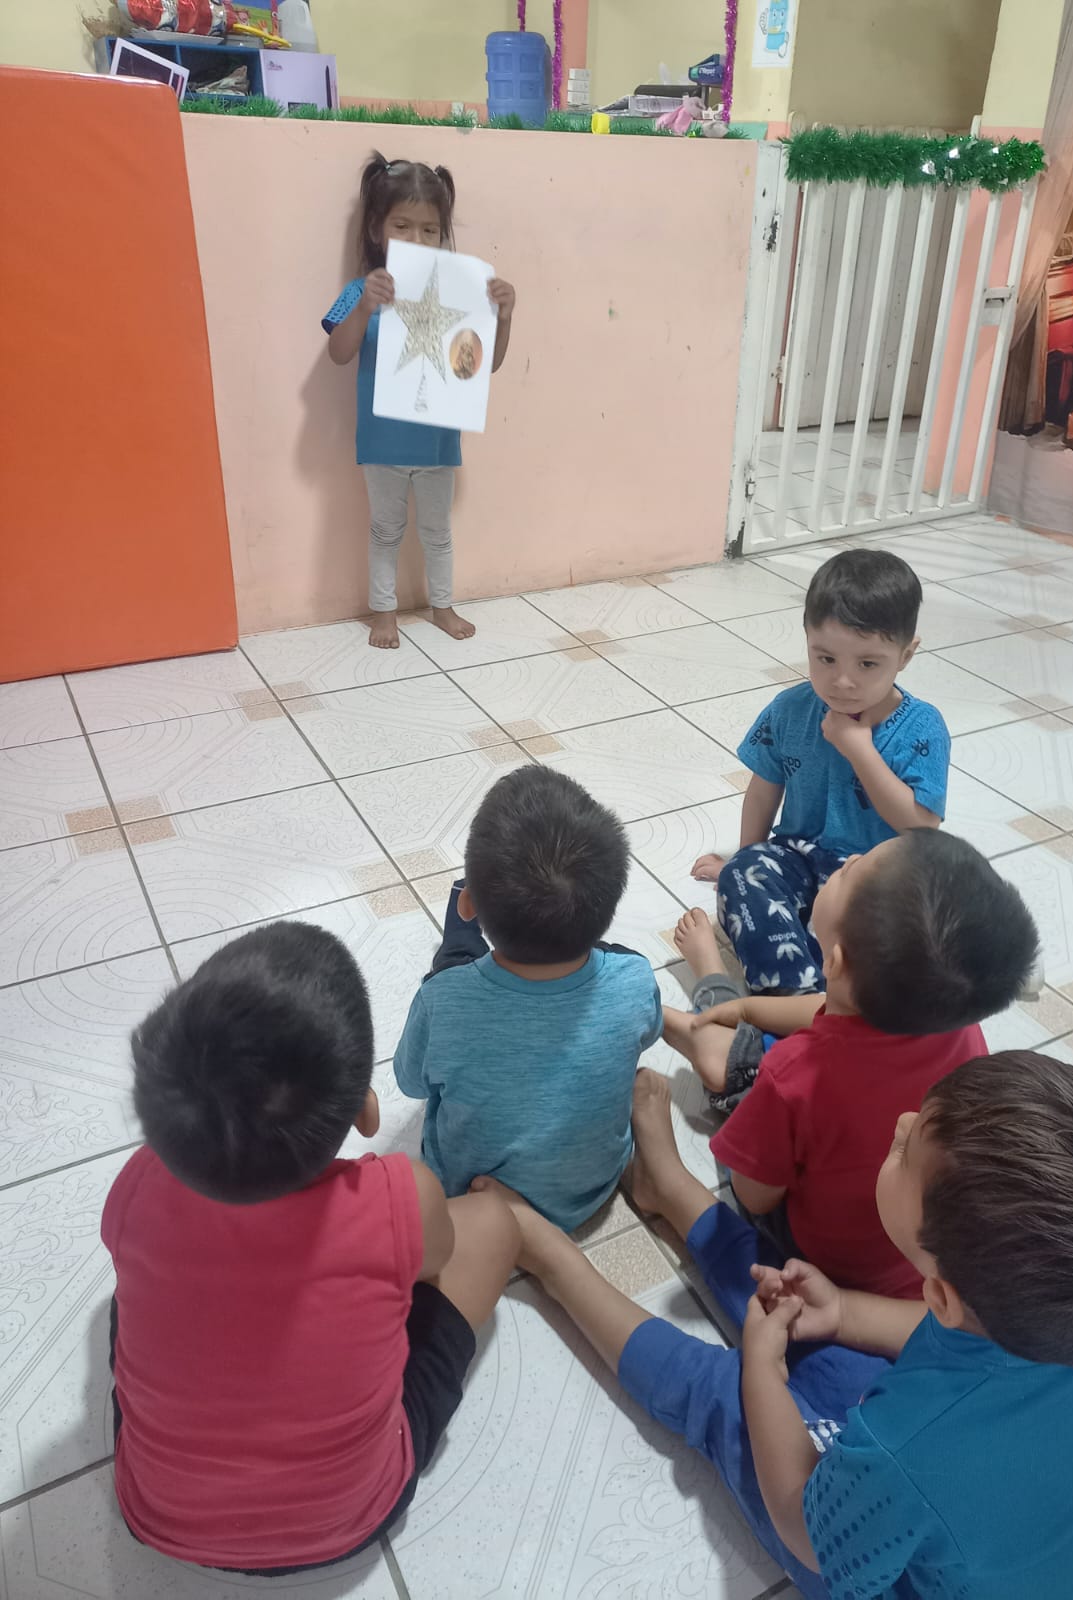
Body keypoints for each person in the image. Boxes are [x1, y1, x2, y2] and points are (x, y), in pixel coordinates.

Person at [477, 1050, 1073, 1599]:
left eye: (906, 1152)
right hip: (981, 1515)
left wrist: (761, 1373)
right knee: (805, 1312)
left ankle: (550, 1258)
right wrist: (847, 1311)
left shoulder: (906, 1454)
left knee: (725, 1391)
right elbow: (961, 1347)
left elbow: (807, 1527)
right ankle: (674, 1190)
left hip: (881, 1551)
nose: (902, 1123)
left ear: (943, 1294)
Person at [102, 921, 519, 1576]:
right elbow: (437, 1261)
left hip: (158, 1515)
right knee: (493, 1223)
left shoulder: (135, 1189)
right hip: (353, 1516)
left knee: (127, 1303)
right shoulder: (398, 1195)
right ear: (365, 1114)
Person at [667, 830, 1039, 1296]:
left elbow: (754, 1195)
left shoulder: (794, 1075)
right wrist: (748, 1008)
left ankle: (712, 994)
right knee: (769, 1031)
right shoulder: (957, 1028)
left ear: (836, 961)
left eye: (850, 871)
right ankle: (727, 1021)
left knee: (745, 1085)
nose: (852, 856)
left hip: (824, 1261)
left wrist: (740, 1017)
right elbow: (828, 1010)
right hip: (911, 1258)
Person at [395, 765, 663, 1232]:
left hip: (473, 1201)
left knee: (457, 957)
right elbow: (649, 1032)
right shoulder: (635, 978)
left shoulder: (444, 998)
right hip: (591, 1189)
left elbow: (410, 1082)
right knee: (597, 956)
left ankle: (462, 914)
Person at [692, 548, 949, 994]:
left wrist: (860, 751)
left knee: (889, 941)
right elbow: (764, 789)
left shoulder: (922, 728)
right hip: (797, 856)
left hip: (876, 874)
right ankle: (795, 996)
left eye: (867, 664)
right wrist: (747, 857)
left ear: (906, 655)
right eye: (826, 659)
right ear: (807, 639)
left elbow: (922, 824)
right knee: (743, 877)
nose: (842, 681)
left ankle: (824, 994)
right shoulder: (790, 709)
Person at [323, 153, 517, 647]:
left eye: (429, 230)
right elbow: (338, 354)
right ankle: (383, 612)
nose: (417, 239)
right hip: (382, 443)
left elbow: (485, 366)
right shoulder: (361, 290)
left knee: (438, 533)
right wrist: (365, 306)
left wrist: (503, 317)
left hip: (437, 443)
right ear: (376, 230)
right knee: (385, 530)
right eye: (402, 226)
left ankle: (443, 607)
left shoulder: (462, 293)